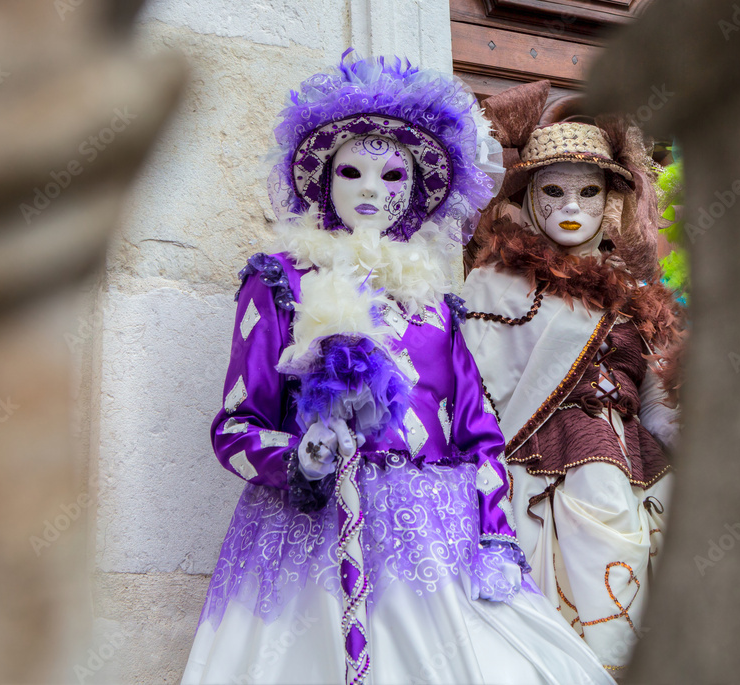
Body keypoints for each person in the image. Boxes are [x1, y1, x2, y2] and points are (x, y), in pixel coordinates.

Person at [182, 54, 613, 685]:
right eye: (350, 171)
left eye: (390, 175)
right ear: (323, 180)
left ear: (414, 191)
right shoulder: (278, 284)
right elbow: (235, 428)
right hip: (314, 544)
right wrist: (302, 457)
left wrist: (495, 537)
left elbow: (480, 438)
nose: (368, 189)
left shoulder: (436, 308)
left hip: (438, 547)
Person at [460, 81, 685, 675]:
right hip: (547, 468)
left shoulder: (636, 294)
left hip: (639, 461)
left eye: (587, 193)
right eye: (553, 191)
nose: (570, 207)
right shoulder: (495, 284)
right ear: (529, 196)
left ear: (609, 200)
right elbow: (476, 391)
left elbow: (656, 399)